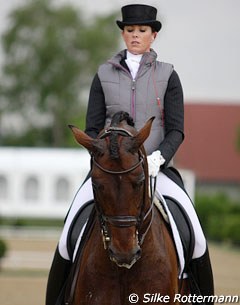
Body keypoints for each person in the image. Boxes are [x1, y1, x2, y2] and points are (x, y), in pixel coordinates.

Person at [46, 4, 214, 305]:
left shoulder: (168, 75)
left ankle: (204, 299)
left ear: (153, 35)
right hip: (109, 171)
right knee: (66, 236)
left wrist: (157, 159)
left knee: (197, 235)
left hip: (156, 169)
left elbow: (176, 129)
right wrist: (104, 159)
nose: (136, 35)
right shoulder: (103, 74)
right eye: (130, 30)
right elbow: (93, 127)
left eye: (142, 31)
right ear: (123, 34)